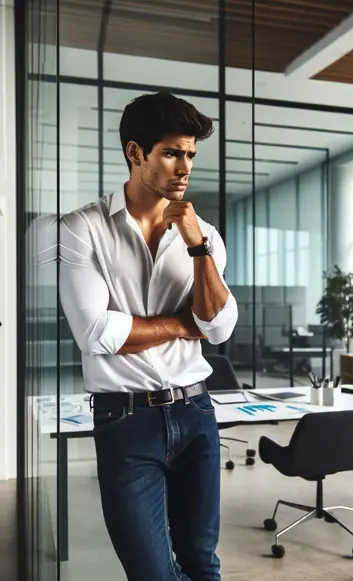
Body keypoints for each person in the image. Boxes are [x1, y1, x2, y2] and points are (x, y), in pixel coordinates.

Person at [58, 91, 237, 581]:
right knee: (152, 573)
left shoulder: (206, 235)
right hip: (126, 420)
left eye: (190, 155)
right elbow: (97, 332)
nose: (185, 167)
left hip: (197, 413)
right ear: (136, 153)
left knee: (203, 564)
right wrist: (183, 324)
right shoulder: (83, 229)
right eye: (172, 153)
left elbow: (218, 327)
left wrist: (198, 248)